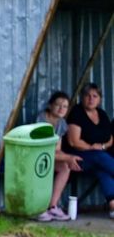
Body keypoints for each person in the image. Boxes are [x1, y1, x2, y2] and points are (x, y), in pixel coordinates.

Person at [64, 82, 114, 218]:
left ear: (100, 99)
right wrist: (92, 147)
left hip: (98, 159)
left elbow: (110, 139)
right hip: (77, 157)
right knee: (100, 157)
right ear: (82, 97)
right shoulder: (77, 112)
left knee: (102, 169)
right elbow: (73, 141)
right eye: (87, 96)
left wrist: (102, 146)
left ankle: (113, 205)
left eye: (95, 96)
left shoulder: (102, 114)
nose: (91, 99)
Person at [37, 91, 81, 222]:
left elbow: (57, 149)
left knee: (65, 167)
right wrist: (68, 157)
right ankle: (39, 209)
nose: (62, 109)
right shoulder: (41, 119)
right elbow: (41, 151)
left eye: (65, 106)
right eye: (58, 105)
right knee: (45, 167)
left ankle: (52, 206)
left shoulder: (62, 123)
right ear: (50, 105)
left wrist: (69, 158)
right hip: (35, 156)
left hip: (47, 156)